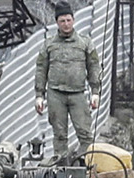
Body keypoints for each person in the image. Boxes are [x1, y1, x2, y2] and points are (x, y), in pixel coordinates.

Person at [34, 2, 104, 162]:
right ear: (57, 23)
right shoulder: (49, 44)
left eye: (68, 20)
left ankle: (83, 165)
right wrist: (39, 95)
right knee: (59, 135)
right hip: (55, 94)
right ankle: (62, 169)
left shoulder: (85, 43)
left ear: (73, 20)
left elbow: (94, 67)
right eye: (62, 21)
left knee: (85, 134)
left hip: (78, 94)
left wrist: (95, 92)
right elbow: (40, 69)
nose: (66, 24)